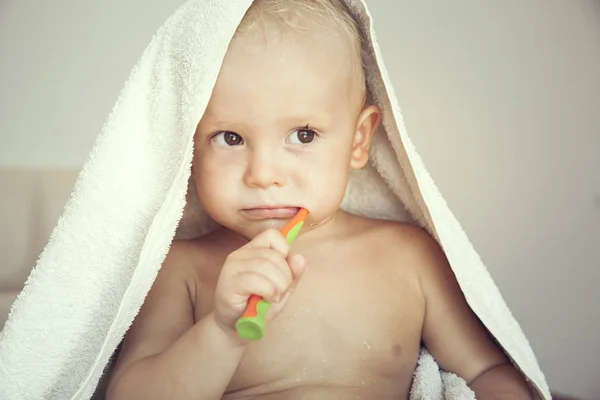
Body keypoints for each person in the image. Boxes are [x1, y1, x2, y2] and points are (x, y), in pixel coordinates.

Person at [107, 1, 532, 398]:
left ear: (358, 140)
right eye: (230, 137)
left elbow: (483, 372)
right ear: (189, 147)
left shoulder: (408, 258)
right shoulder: (181, 270)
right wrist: (222, 333)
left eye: (303, 135)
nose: (264, 175)